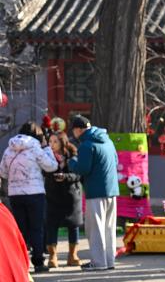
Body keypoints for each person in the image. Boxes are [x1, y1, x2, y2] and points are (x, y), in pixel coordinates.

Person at [0, 121, 58, 272]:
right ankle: (38, 262)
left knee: (20, 229)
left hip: (15, 194)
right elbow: (52, 166)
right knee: (36, 228)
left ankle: (20, 263)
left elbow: (3, 172)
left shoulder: (9, 149)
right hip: (35, 193)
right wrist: (46, 148)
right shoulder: (36, 149)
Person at [67, 115, 119, 271]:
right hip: (111, 190)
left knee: (95, 228)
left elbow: (83, 169)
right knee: (109, 228)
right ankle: (109, 260)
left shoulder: (86, 145)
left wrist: (71, 162)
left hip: (95, 191)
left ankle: (98, 262)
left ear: (78, 130)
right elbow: (116, 161)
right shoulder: (108, 141)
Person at [44, 130, 83, 267]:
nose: (52, 144)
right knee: (51, 225)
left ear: (62, 142)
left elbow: (78, 175)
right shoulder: (46, 156)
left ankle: (73, 255)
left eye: (55, 141)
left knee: (73, 225)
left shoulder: (72, 154)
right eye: (50, 141)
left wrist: (65, 177)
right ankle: (52, 256)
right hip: (53, 195)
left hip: (71, 195)